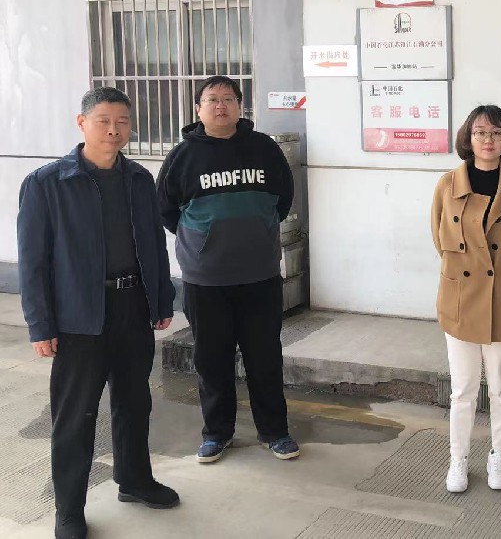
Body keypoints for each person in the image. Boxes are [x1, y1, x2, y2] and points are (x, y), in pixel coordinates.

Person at [17, 88, 179, 539]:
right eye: (104, 120)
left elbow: (155, 245)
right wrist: (40, 324)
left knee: (134, 402)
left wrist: (161, 298)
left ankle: (135, 480)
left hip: (132, 306)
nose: (114, 130)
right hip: (78, 316)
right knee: (76, 415)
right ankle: (69, 508)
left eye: (122, 121)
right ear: (82, 123)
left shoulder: (139, 179)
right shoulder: (47, 183)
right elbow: (32, 262)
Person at [156, 75, 298, 464]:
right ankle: (217, 434)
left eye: (229, 99)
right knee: (212, 360)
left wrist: (256, 234)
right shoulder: (182, 157)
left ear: (239, 106)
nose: (221, 105)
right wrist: (205, 242)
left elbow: (283, 198)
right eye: (212, 99)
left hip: (260, 275)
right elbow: (167, 211)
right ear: (198, 109)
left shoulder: (264, 148)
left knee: (265, 358)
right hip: (206, 280)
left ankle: (275, 431)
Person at [430, 105, 501, 494]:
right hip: (460, 299)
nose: (488, 140)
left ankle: (499, 455)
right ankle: (458, 459)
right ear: (468, 138)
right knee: (462, 390)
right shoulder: (447, 185)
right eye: (480, 132)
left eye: (496, 133)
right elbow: (439, 239)